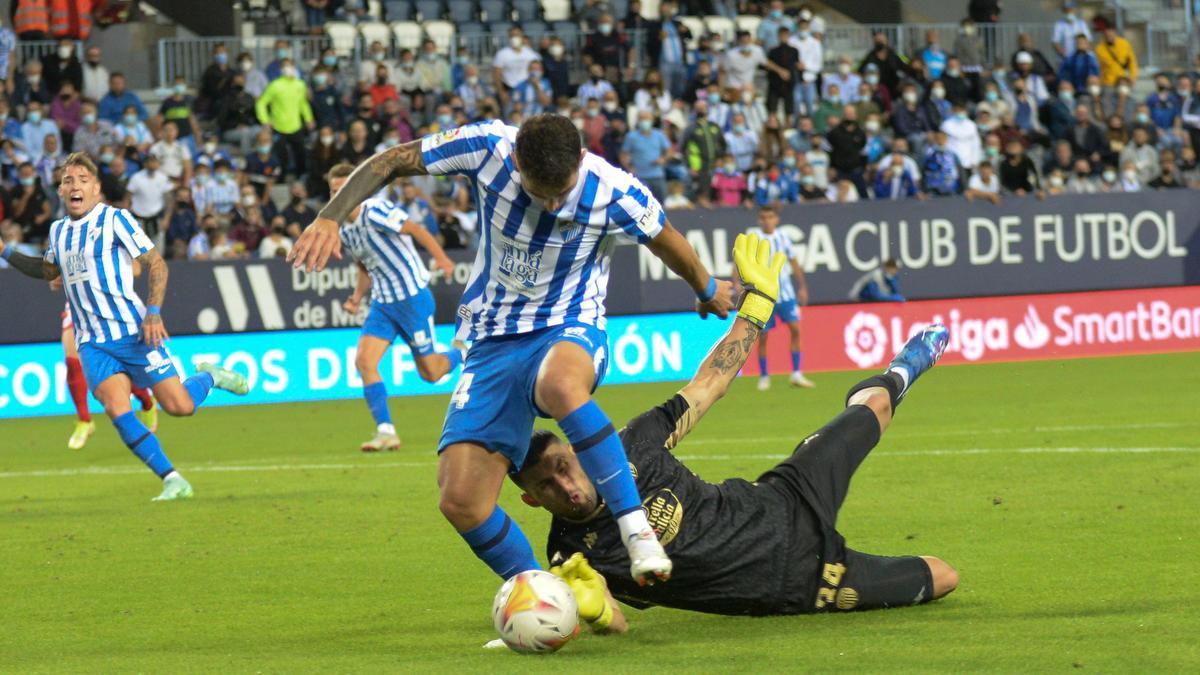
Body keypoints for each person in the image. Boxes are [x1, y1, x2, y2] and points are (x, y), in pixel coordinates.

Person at [289, 114, 736, 585]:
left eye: (559, 193)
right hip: (491, 340)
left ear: (580, 161)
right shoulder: (486, 147)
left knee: (562, 385)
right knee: (460, 499)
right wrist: (329, 216)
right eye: (537, 189)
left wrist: (706, 288)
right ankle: (545, 595)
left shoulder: (614, 191)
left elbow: (667, 241)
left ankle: (636, 530)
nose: (548, 202)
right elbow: (393, 160)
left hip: (569, 323)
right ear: (516, 159)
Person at [520, 239, 954, 626]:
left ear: (578, 451)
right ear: (532, 499)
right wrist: (594, 611)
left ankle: (902, 370)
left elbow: (709, 384)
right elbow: (613, 620)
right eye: (546, 485)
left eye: (563, 467)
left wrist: (757, 307)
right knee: (942, 576)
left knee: (876, 405)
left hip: (785, 498)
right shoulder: (570, 553)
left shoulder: (633, 443)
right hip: (800, 582)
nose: (565, 484)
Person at [0, 153, 249, 500]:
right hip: (92, 343)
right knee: (118, 410)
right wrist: (5, 250)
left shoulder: (116, 220)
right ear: (60, 190)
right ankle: (172, 479)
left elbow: (157, 264)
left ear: (97, 189)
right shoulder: (58, 231)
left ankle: (210, 376)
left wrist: (153, 311)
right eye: (68, 180)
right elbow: (47, 272)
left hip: (134, 332)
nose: (75, 185)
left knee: (180, 407)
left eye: (82, 179)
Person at [323, 163, 460, 450]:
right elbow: (365, 264)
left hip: (411, 299)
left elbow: (417, 230)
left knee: (432, 374)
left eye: (342, 189)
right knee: (364, 362)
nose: (337, 196)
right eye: (333, 191)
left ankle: (463, 351)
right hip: (383, 304)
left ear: (355, 188)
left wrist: (442, 258)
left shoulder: (376, 211)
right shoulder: (345, 230)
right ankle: (386, 431)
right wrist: (357, 296)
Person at [742, 207, 811, 391]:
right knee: (763, 337)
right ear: (759, 220)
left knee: (796, 329)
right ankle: (764, 376)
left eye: (770, 217)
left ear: (776, 219)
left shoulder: (783, 237)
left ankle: (796, 373)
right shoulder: (754, 238)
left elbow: (793, 262)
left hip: (786, 294)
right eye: (763, 218)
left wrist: (802, 286)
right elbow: (741, 262)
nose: (767, 221)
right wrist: (738, 283)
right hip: (764, 296)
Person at [256, 59, 314, 177]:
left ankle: (300, 177)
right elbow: (261, 103)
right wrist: (265, 120)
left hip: (296, 126)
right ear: (280, 69)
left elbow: (303, 103)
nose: (288, 68)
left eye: (290, 66)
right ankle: (280, 179)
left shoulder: (300, 84)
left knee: (300, 154)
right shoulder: (275, 85)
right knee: (281, 156)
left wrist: (309, 118)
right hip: (278, 127)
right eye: (285, 66)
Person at [620, 111, 672, 200]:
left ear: (652, 120)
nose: (644, 121)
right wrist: (629, 168)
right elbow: (623, 155)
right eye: (642, 119)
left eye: (647, 119)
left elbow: (669, 151)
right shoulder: (631, 136)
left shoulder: (659, 135)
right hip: (639, 177)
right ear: (638, 121)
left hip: (657, 176)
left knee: (662, 202)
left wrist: (663, 159)